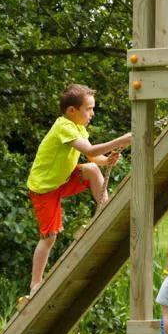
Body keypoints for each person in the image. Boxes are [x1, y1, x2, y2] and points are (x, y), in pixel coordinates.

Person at [25, 83, 131, 299]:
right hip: (44, 189)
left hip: (62, 180)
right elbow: (90, 149)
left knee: (91, 169)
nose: (92, 113)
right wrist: (122, 139)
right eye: (89, 109)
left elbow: (92, 157)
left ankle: (105, 209)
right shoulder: (63, 126)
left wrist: (106, 161)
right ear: (72, 110)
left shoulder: (79, 128)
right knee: (49, 237)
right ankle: (35, 283)